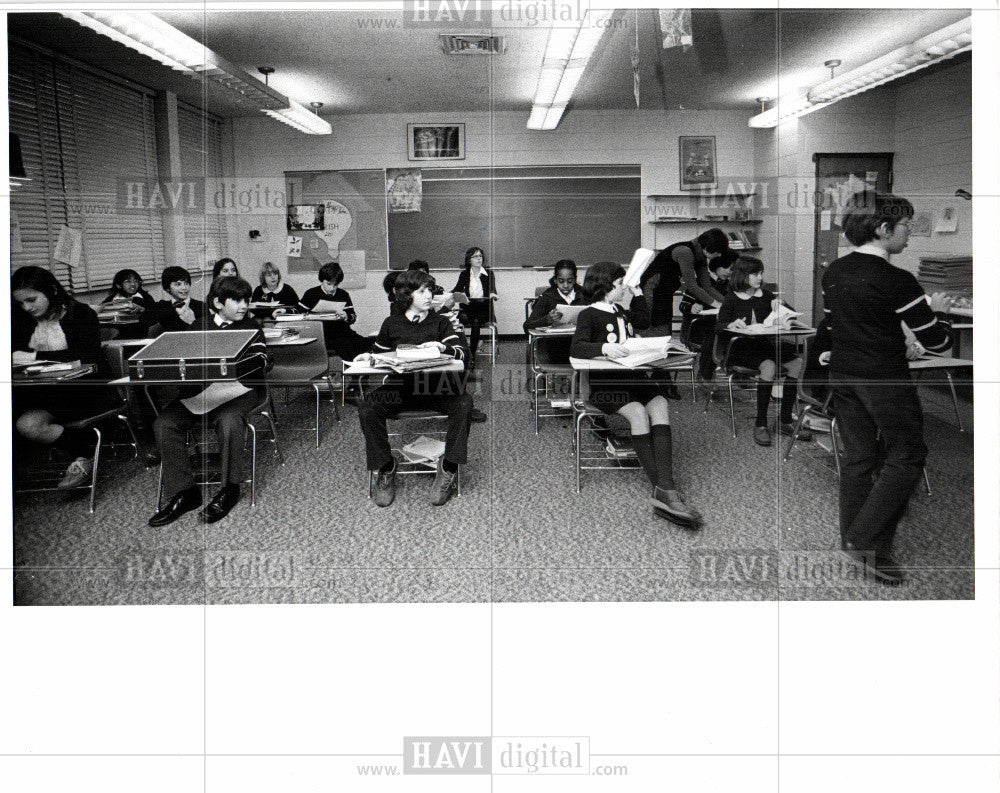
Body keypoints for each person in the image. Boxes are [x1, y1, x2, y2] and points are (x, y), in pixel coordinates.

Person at [821, 190, 953, 584]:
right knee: (907, 456)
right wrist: (940, 312)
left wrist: (897, 337)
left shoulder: (834, 271)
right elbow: (940, 345)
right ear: (883, 229)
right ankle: (865, 538)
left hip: (844, 375)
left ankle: (854, 540)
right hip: (883, 379)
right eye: (906, 226)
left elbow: (836, 326)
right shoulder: (898, 280)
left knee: (859, 458)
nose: (910, 233)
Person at [570, 261, 701, 526]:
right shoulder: (589, 314)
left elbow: (644, 319)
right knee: (639, 414)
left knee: (660, 402)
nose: (624, 289)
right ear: (606, 287)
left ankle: (665, 487)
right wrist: (604, 349)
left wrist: (638, 291)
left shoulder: (620, 310)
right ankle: (664, 489)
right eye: (621, 285)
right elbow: (576, 348)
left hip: (633, 377)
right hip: (605, 386)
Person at [148, 276, 272, 527]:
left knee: (229, 422)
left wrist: (242, 365)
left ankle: (230, 488)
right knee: (164, 424)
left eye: (246, 300)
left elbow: (263, 358)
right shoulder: (198, 327)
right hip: (200, 394)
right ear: (217, 302)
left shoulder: (251, 327)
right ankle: (186, 492)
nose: (243, 306)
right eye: (236, 300)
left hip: (239, 392)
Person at [359, 270, 473, 508]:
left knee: (464, 403)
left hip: (437, 389)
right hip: (400, 390)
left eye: (430, 290)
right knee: (368, 406)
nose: (429, 295)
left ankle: (448, 469)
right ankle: (386, 467)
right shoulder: (391, 323)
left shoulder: (441, 322)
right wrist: (368, 358)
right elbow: (380, 356)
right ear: (406, 294)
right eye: (421, 291)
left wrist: (443, 348)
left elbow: (462, 354)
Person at [12, 266, 108, 488]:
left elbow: (86, 356)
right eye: (20, 303)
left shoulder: (81, 314)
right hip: (41, 391)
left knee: (27, 424)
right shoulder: (24, 320)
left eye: (32, 299)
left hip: (84, 390)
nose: (26, 307)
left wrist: (33, 356)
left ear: (52, 290)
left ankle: (84, 453)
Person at [716, 256, 811, 447]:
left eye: (761, 273)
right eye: (755, 274)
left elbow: (790, 313)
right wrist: (731, 323)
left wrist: (781, 305)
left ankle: (784, 420)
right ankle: (761, 424)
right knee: (769, 366)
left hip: (764, 345)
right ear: (743, 275)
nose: (760, 277)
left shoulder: (766, 295)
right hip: (740, 348)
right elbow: (719, 327)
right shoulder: (732, 298)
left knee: (797, 363)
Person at [408, 259, 486, 423]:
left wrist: (443, 309)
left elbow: (433, 319)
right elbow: (422, 325)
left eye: (426, 275)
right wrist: (445, 308)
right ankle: (458, 396)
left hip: (436, 335)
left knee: (460, 343)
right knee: (455, 350)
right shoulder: (403, 303)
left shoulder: (429, 293)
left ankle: (464, 380)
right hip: (421, 346)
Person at [640, 228, 730, 329]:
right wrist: (716, 304)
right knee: (655, 326)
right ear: (708, 248)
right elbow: (691, 286)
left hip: (664, 290)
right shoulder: (685, 252)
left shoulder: (700, 254)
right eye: (718, 251)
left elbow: (707, 286)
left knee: (664, 325)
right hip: (652, 289)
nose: (720, 255)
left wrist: (727, 303)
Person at [683, 248, 738, 380]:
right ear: (717, 265)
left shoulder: (730, 284)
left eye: (732, 270)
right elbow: (683, 305)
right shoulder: (700, 282)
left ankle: (739, 373)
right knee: (715, 337)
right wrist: (692, 307)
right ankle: (705, 374)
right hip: (699, 328)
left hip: (722, 326)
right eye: (727, 268)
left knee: (735, 336)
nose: (729, 272)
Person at [299, 261, 372, 361]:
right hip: (322, 333)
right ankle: (353, 370)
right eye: (328, 284)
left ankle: (360, 369)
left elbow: (353, 317)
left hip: (342, 331)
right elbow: (297, 313)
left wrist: (346, 316)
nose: (332, 288)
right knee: (344, 344)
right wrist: (307, 316)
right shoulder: (311, 294)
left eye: (336, 285)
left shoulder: (343, 294)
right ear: (322, 280)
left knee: (365, 343)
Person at [452, 246, 497, 366]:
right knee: (465, 320)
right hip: (468, 308)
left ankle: (471, 355)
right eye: (475, 256)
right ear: (469, 260)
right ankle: (463, 352)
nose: (479, 259)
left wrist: (493, 295)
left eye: (480, 256)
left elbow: (493, 290)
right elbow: (457, 289)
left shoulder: (488, 273)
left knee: (476, 322)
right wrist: (452, 294)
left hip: (483, 308)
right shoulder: (464, 274)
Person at [523, 259, 585, 331]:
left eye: (570, 281)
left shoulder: (585, 295)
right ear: (555, 280)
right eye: (561, 281)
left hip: (579, 339)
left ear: (575, 280)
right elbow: (527, 326)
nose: (566, 285)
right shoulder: (547, 298)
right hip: (554, 340)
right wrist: (547, 319)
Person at [145, 266, 206, 335]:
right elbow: (151, 333)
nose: (184, 288)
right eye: (178, 284)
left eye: (186, 283)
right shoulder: (160, 307)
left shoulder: (201, 306)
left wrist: (193, 322)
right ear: (168, 287)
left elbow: (209, 335)